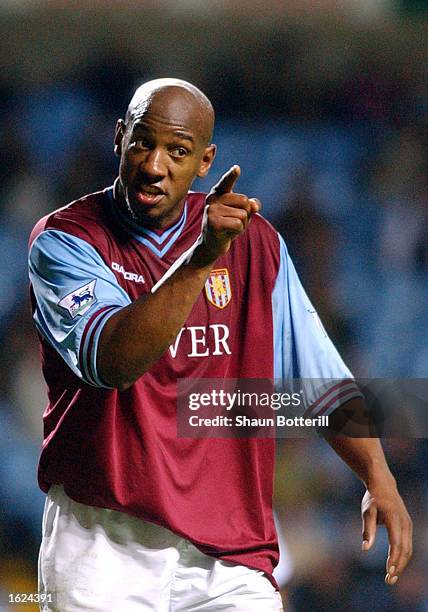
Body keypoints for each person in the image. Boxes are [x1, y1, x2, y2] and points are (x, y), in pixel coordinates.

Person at [28, 78, 412, 611]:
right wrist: (201, 259)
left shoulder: (255, 243)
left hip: (229, 552)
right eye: (143, 142)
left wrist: (378, 476)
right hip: (102, 544)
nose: (155, 165)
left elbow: (317, 378)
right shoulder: (66, 240)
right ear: (119, 139)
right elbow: (114, 362)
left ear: (205, 161)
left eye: (178, 151)